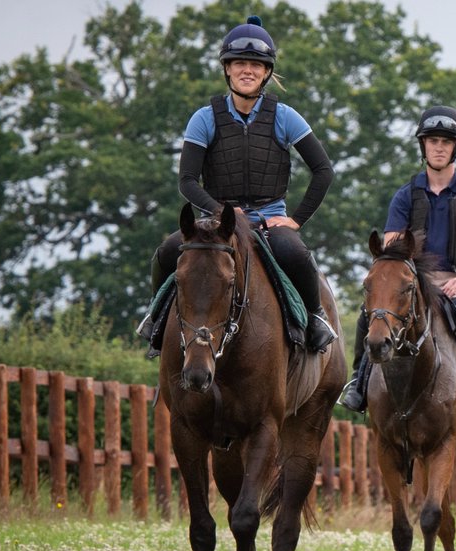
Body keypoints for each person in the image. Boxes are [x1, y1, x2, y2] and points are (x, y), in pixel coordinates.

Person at [141, 16, 335, 354]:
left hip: (269, 220)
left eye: (256, 65)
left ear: (267, 73)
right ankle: (156, 319)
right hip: (218, 221)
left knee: (297, 253)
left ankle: (316, 318)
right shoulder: (204, 118)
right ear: (227, 69)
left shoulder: (286, 116)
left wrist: (296, 220)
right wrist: (221, 211)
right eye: (239, 63)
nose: (248, 70)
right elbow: (187, 180)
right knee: (167, 252)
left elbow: (323, 170)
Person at [339, 106, 456, 418]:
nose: (439, 147)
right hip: (413, 277)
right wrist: (408, 273)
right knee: (373, 310)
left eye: (446, 142)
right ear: (423, 146)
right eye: (433, 141)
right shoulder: (406, 195)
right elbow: (391, 245)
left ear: (455, 147)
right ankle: (359, 382)